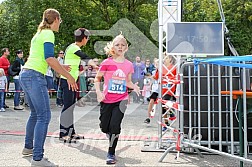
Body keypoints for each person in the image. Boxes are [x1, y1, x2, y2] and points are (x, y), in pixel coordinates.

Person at [19, 8, 77, 167]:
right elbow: (49, 58)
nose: (60, 24)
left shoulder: (39, 33)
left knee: (35, 114)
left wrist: (61, 65)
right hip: (34, 76)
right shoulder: (48, 34)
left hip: (26, 74)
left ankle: (28, 148)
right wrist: (68, 75)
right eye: (61, 21)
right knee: (44, 116)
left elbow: (44, 59)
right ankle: (37, 159)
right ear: (56, 19)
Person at [94, 33, 140, 164]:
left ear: (126, 48)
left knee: (115, 126)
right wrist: (98, 92)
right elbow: (97, 78)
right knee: (104, 127)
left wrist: (133, 86)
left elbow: (128, 81)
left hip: (122, 99)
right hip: (106, 99)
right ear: (112, 47)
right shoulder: (106, 63)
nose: (120, 47)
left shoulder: (129, 65)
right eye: (117, 44)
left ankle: (111, 153)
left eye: (123, 45)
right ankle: (109, 133)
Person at [59, 28, 97, 142]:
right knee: (67, 107)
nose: (87, 40)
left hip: (72, 81)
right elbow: (85, 57)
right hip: (67, 81)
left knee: (70, 107)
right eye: (87, 38)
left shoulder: (72, 47)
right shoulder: (74, 48)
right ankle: (63, 133)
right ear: (84, 38)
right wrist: (94, 65)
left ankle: (71, 132)